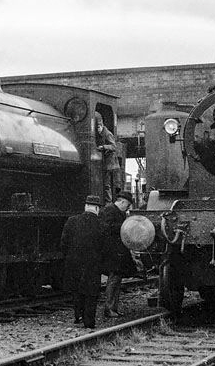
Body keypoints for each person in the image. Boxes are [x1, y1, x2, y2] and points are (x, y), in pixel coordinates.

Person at [61, 195, 104, 329]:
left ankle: (78, 315)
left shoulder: (72, 221)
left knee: (77, 289)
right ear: (97, 208)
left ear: (86, 206)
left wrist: (69, 256)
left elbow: (63, 243)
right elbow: (104, 246)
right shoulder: (101, 224)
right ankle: (89, 322)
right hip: (92, 263)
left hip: (74, 261)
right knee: (91, 292)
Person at [99, 190, 136, 318]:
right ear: (122, 201)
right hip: (112, 252)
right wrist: (125, 226)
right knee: (114, 280)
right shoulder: (110, 210)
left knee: (116, 280)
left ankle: (113, 308)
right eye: (127, 205)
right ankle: (109, 309)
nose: (128, 208)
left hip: (117, 252)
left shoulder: (117, 212)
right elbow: (106, 228)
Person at [95, 112, 119, 204]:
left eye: (98, 127)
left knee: (107, 184)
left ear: (101, 126)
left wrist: (104, 147)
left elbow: (114, 146)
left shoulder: (107, 134)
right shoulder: (102, 133)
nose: (98, 130)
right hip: (107, 162)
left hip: (110, 163)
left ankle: (108, 201)